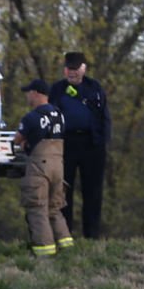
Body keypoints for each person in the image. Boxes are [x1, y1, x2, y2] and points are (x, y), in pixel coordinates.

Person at [49, 51, 111, 239]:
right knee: (63, 191)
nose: (71, 72)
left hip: (91, 144)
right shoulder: (57, 89)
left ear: (83, 68)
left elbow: (104, 117)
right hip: (66, 144)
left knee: (92, 191)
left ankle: (92, 234)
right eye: (68, 68)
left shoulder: (94, 88)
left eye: (75, 69)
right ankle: (65, 233)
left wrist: (102, 142)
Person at [13, 78, 72, 257]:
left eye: (28, 92)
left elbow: (17, 139)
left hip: (39, 166)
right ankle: (66, 247)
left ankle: (44, 251)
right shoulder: (59, 114)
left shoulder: (32, 117)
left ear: (36, 93)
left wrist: (24, 145)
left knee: (37, 207)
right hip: (58, 165)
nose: (27, 96)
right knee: (55, 208)